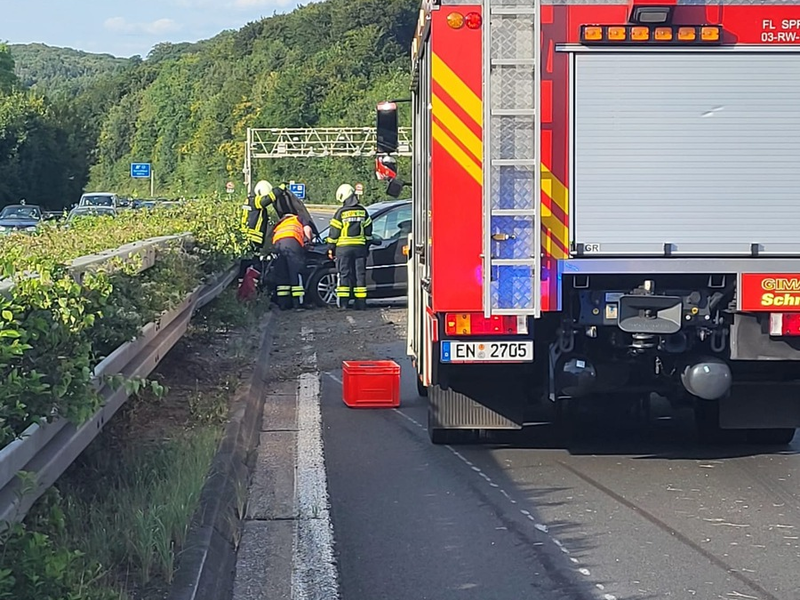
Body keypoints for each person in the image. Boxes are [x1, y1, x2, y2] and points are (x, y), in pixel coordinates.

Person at [327, 183, 372, 310]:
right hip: (360, 249)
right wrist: (367, 245)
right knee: (360, 275)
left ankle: (344, 304)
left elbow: (334, 232)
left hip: (343, 249)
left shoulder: (341, 212)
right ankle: (361, 303)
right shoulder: (363, 211)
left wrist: (330, 247)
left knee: (344, 275)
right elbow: (368, 230)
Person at [271, 212, 310, 310]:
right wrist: (309, 241)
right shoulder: (298, 219)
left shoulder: (280, 223)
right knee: (296, 273)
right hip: (293, 243)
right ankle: (298, 303)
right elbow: (307, 230)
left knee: (282, 275)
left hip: (278, 245)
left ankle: (283, 304)